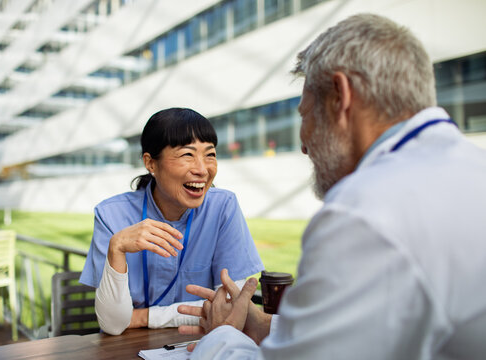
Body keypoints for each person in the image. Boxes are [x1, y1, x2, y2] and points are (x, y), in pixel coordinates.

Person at [177, 13, 486, 359]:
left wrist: (220, 335)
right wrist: (263, 325)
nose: (304, 143)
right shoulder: (465, 169)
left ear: (340, 96)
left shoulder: (364, 212)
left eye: (305, 113)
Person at [80, 107, 264, 335]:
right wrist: (116, 248)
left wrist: (144, 316)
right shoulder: (111, 216)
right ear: (151, 164)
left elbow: (230, 310)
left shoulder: (222, 207)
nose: (202, 169)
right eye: (187, 154)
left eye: (210, 154)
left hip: (196, 344)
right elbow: (114, 325)